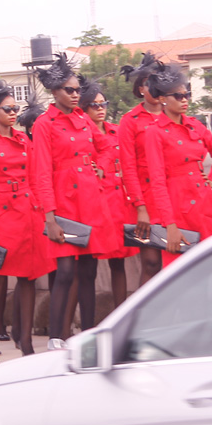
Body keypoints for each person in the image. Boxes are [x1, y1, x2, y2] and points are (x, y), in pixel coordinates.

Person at [32, 55, 118, 342]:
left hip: (90, 200)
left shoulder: (83, 118)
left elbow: (108, 147)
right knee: (66, 271)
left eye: (78, 90)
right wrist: (50, 217)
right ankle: (57, 337)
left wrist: (100, 167)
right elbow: (42, 171)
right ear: (55, 92)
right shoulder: (45, 124)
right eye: (69, 90)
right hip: (64, 202)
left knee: (89, 271)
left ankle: (89, 335)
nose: (75, 94)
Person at [0, 76, 51, 363]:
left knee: (29, 278)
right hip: (0, 215)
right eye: (7, 109)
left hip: (27, 213)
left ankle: (26, 339)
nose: (13, 113)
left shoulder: (22, 139)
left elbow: (34, 178)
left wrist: (43, 213)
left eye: (15, 108)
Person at [144, 65, 212, 266]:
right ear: (163, 99)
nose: (184, 100)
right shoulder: (154, 132)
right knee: (183, 269)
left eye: (187, 95)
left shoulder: (194, 124)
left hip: (204, 201)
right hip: (178, 205)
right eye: (178, 96)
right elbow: (157, 181)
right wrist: (170, 225)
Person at [78, 77, 135, 308]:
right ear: (84, 109)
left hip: (121, 201)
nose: (101, 109)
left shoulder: (117, 131)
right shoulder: (83, 136)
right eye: (95, 105)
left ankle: (120, 311)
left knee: (119, 262)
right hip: (98, 201)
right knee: (90, 265)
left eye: (104, 103)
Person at [116, 52, 166, 284]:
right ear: (140, 89)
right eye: (147, 82)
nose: (153, 86)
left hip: (177, 197)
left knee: (176, 262)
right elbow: (128, 167)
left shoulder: (175, 114)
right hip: (145, 201)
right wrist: (140, 208)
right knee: (151, 263)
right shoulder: (130, 121)